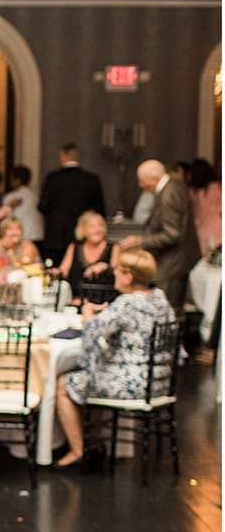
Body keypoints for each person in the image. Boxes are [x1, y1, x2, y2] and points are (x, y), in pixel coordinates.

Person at [51, 249, 177, 470]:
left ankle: (77, 451)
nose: (115, 274)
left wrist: (89, 311)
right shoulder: (160, 299)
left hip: (131, 383)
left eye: (118, 270)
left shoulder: (127, 303)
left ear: (128, 277)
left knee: (64, 384)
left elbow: (92, 328)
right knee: (95, 378)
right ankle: (94, 443)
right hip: (158, 381)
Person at [134, 158, 200, 314]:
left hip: (173, 262)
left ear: (153, 179)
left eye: (142, 181)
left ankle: (168, 339)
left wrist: (142, 241)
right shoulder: (175, 185)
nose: (140, 185)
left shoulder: (168, 194)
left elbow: (172, 234)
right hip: (180, 259)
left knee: (166, 309)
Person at [37, 143, 107, 268]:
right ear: (79, 158)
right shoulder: (91, 179)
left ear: (63, 156)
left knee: (55, 270)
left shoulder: (53, 178)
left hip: (56, 236)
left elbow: (43, 206)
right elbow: (100, 210)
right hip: (82, 236)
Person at [56, 211, 117, 299]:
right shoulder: (74, 247)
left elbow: (118, 273)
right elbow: (63, 271)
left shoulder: (113, 247)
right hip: (75, 300)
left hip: (103, 302)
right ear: (83, 230)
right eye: (92, 226)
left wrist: (106, 267)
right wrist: (54, 272)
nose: (97, 230)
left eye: (101, 225)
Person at [0, 216, 44, 282]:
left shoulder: (28, 246)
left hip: (28, 282)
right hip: (2, 281)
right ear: (3, 232)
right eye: (10, 229)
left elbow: (22, 268)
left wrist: (9, 251)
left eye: (17, 229)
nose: (14, 232)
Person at [0, 165, 42, 252]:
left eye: (11, 178)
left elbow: (7, 219)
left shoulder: (11, 197)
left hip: (21, 236)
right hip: (38, 234)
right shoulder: (37, 194)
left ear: (17, 179)